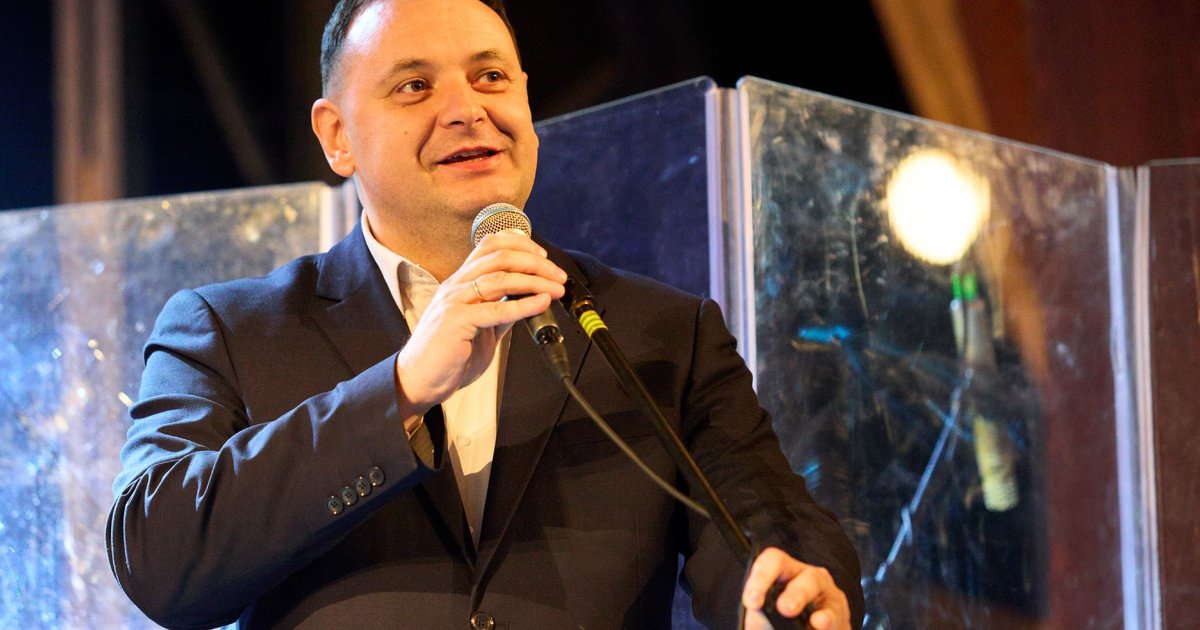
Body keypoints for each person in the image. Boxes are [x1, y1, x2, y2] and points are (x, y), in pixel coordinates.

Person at [106, 0, 864, 628]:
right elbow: (157, 556)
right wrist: (400, 388)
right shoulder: (230, 329)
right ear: (337, 137)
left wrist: (788, 594)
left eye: (490, 77)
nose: (468, 110)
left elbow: (767, 522)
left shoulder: (662, 331)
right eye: (414, 86)